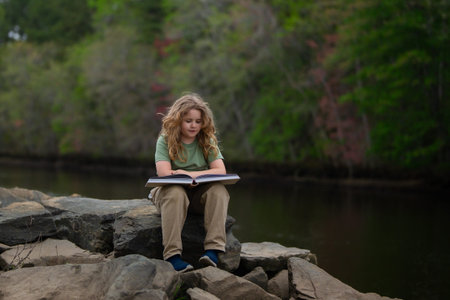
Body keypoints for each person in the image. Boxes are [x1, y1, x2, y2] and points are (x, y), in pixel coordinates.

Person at [150, 93, 230, 272]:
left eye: (198, 121)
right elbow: (163, 173)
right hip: (170, 195)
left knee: (218, 190)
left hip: (198, 196)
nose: (194, 125)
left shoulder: (207, 140)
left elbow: (220, 170)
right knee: (176, 192)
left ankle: (213, 251)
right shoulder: (165, 140)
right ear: (178, 120)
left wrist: (190, 174)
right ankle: (172, 256)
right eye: (188, 121)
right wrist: (185, 177)